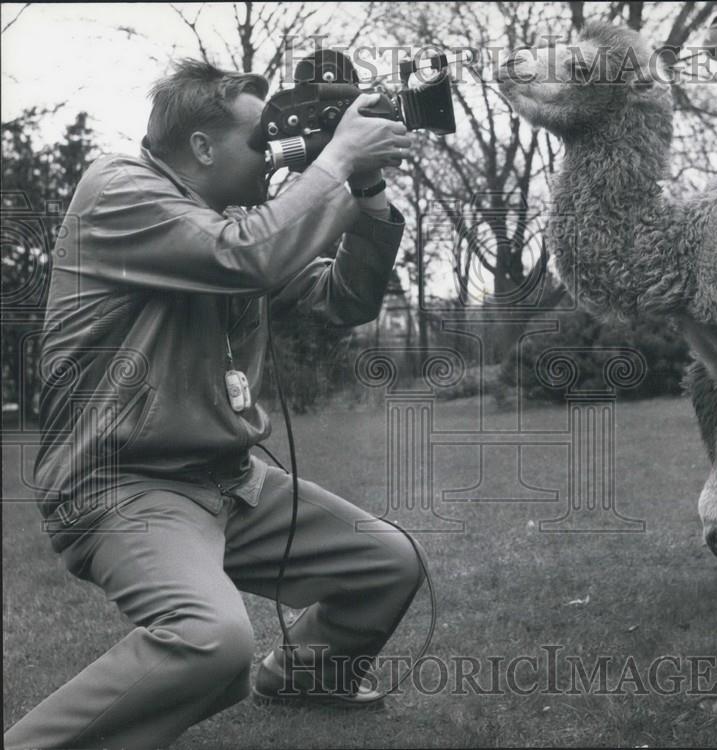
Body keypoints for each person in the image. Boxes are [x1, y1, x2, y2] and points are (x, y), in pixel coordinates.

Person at [5, 59, 421, 749]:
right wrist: (338, 155)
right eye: (261, 139)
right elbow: (246, 257)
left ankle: (305, 677)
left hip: (227, 481)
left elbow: (345, 299)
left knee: (387, 563)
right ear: (201, 146)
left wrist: (366, 189)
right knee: (211, 641)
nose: (274, 155)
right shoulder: (118, 191)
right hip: (124, 485)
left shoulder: (224, 226)